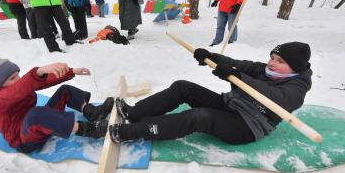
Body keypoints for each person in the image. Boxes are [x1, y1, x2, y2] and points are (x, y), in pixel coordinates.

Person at [108, 42, 312, 145]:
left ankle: (131, 132)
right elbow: (239, 65)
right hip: (230, 105)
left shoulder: (297, 88)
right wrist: (211, 56)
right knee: (182, 87)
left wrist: (238, 77)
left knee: (199, 117)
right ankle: (133, 114)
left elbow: (274, 98)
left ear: (294, 67)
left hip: (247, 126)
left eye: (280, 61)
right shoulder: (264, 69)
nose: (272, 63)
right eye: (273, 57)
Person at [0, 58, 114, 153]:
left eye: (18, 75)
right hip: (24, 140)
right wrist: (38, 71)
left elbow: (39, 82)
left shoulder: (15, 86)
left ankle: (92, 112)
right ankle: (91, 130)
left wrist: (71, 72)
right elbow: (17, 91)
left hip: (36, 125)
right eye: (12, 78)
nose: (18, 79)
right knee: (36, 114)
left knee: (65, 91)